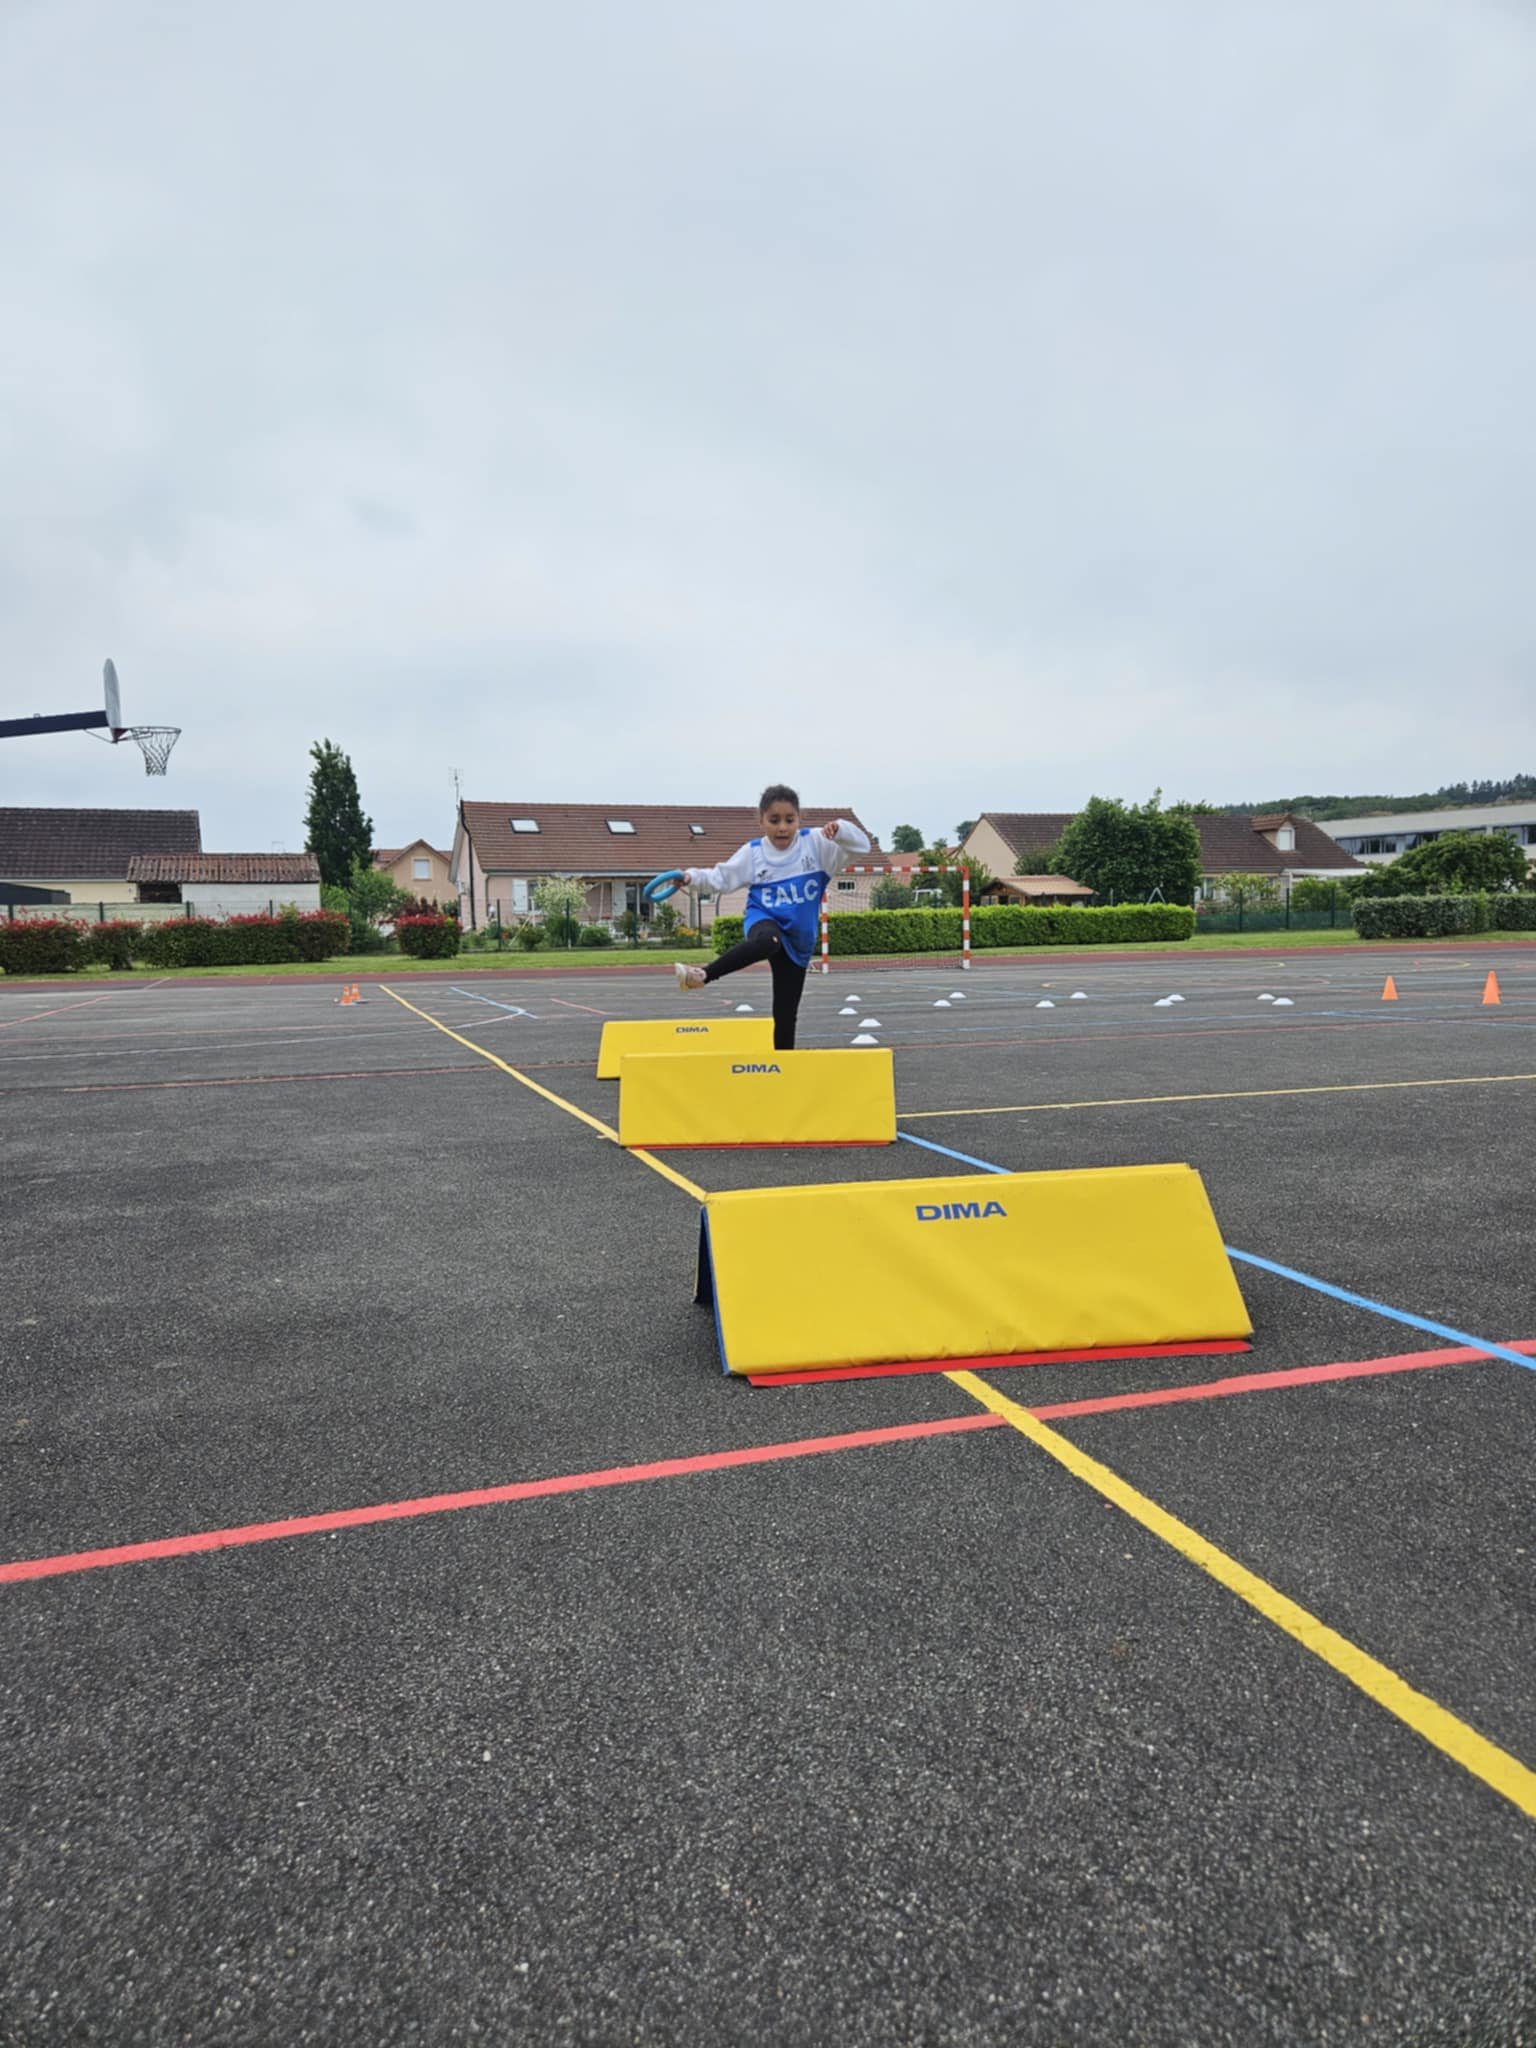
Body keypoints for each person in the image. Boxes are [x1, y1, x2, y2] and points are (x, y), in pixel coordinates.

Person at [673, 786, 870, 1049]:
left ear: (799, 819)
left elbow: (861, 846)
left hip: (798, 940)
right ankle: (702, 975)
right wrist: (690, 877)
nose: (782, 828)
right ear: (762, 821)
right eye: (774, 820)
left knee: (786, 1016)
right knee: (768, 941)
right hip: (763, 920)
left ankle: (783, 1067)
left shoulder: (816, 844)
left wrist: (841, 829)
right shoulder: (754, 853)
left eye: (789, 820)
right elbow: (721, 878)